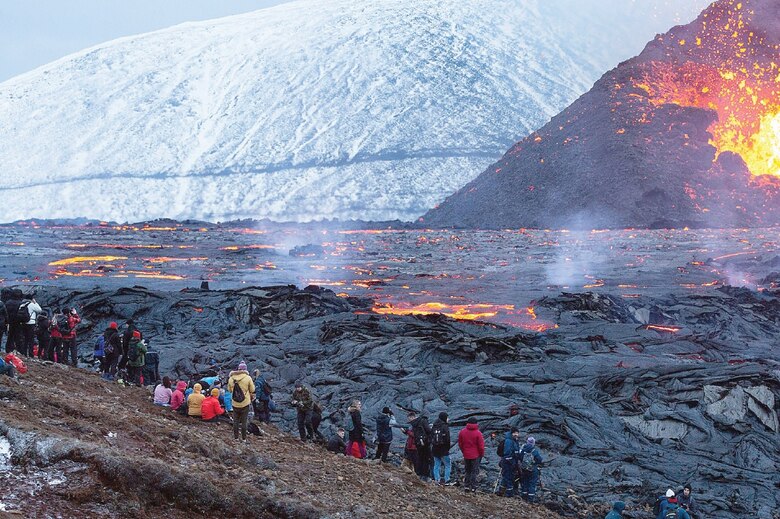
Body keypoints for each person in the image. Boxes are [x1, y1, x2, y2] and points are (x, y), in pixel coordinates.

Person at [228, 361, 255, 442]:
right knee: (244, 421)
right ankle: (244, 438)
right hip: (245, 403)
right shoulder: (248, 378)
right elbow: (252, 389)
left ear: (238, 369)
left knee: (235, 421)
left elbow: (229, 390)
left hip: (235, 403)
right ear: (245, 369)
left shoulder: (231, 378)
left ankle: (236, 437)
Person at [458, 417, 485, 492]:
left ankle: (466, 486)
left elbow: (460, 443)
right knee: (474, 471)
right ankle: (473, 487)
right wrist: (481, 454)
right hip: (476, 455)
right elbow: (481, 446)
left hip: (466, 454)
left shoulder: (462, 432)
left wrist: (464, 451)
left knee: (467, 470)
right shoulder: (478, 433)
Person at [497, 427, 521, 497]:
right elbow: (507, 453)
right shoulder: (509, 441)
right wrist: (511, 461)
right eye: (515, 433)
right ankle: (509, 494)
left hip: (512, 461)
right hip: (508, 462)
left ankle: (501, 491)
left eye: (517, 433)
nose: (516, 434)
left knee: (506, 477)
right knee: (509, 477)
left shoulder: (515, 440)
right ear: (511, 433)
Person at [518, 437, 543, 503]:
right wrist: (535, 463)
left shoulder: (523, 449)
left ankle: (524, 497)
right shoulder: (534, 451)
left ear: (527, 442)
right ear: (533, 443)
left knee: (524, 482)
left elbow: (520, 457)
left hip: (524, 469)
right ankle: (530, 499)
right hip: (532, 469)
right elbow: (539, 460)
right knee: (532, 483)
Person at [431, 412, 453, 485]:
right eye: (447, 417)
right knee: (447, 465)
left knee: (436, 465)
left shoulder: (434, 425)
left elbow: (431, 436)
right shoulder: (445, 426)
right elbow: (447, 439)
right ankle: (447, 480)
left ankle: (437, 479)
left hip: (435, 449)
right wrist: (448, 449)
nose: (448, 419)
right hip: (443, 449)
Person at [410, 411, 432, 480]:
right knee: (426, 458)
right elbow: (428, 430)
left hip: (418, 442)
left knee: (420, 458)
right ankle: (425, 475)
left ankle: (418, 473)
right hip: (425, 442)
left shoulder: (415, 422)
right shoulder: (424, 420)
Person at [4, 289, 23, 354]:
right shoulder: (21, 303)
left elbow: (5, 313)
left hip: (9, 322)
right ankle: (19, 350)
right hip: (18, 322)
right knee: (18, 336)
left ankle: (8, 349)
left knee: (10, 336)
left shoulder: (8, 302)